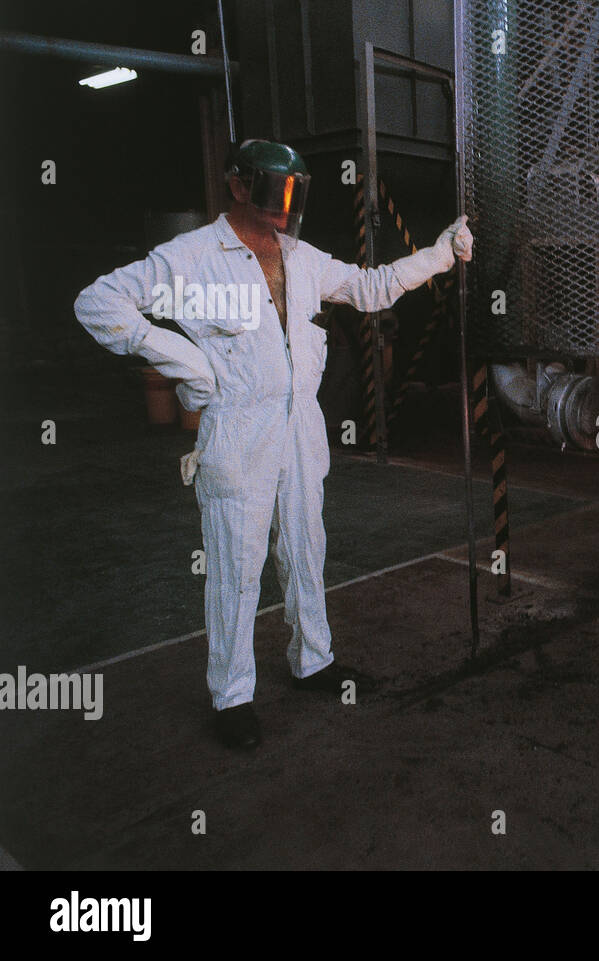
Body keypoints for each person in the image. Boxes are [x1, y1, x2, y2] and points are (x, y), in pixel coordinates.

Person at [74, 139, 473, 749]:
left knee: (306, 547)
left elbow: (372, 287)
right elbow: (98, 302)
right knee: (236, 569)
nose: (285, 207)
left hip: (299, 428)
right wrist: (182, 357)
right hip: (238, 431)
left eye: (295, 193)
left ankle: (314, 660)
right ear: (237, 185)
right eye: (273, 192)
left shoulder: (301, 258)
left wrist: (442, 255)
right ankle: (232, 697)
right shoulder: (193, 258)